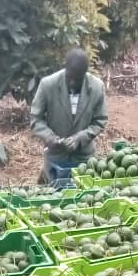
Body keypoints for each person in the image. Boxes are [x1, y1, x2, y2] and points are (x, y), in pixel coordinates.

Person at [30, 48, 108, 184]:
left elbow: (100, 120)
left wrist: (81, 137)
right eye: (70, 77)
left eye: (78, 79)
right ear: (65, 68)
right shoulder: (48, 84)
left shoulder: (97, 87)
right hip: (56, 157)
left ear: (85, 73)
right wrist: (49, 137)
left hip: (84, 158)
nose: (73, 83)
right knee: (52, 194)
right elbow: (35, 118)